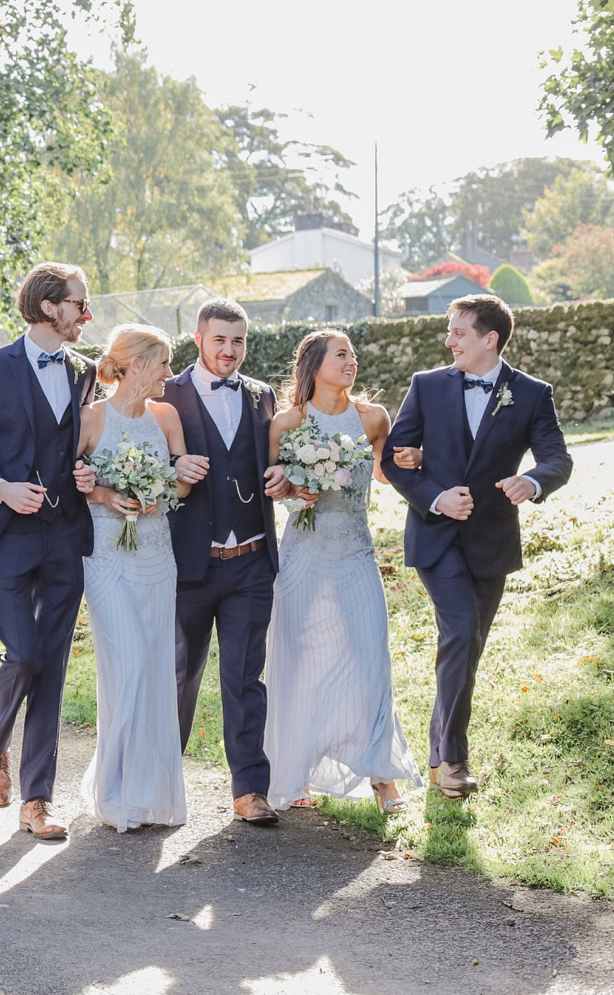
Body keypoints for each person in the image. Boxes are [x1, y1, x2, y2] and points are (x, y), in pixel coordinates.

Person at [381, 294, 571, 798]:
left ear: (490, 339)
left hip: (492, 541)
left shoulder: (530, 394)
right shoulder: (426, 386)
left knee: (468, 648)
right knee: (461, 633)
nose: (449, 341)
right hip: (436, 537)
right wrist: (437, 497)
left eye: (459, 332)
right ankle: (455, 760)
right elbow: (395, 460)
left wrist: (531, 481)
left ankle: (438, 755)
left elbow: (557, 458)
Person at [0, 262, 99, 840]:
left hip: (68, 532)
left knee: (54, 665)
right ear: (50, 306)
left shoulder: (86, 371)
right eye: (79, 303)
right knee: (22, 654)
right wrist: (0, 489)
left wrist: (92, 474)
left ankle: (37, 801)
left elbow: (86, 444)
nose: (85, 314)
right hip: (12, 536)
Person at [265, 330, 419, 814]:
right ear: (313, 363)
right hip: (304, 551)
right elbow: (273, 485)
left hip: (355, 549)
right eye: (341, 355)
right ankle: (294, 772)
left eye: (353, 355)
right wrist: (292, 489)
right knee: (296, 657)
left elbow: (388, 471)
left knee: (372, 653)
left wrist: (414, 458)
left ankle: (382, 775)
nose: (351, 362)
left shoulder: (373, 418)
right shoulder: (286, 422)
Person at [155, 298, 288, 826]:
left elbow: (273, 461)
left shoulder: (263, 397)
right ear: (198, 339)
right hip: (190, 562)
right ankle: (163, 781)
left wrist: (282, 478)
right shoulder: (166, 393)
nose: (229, 351)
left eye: (238, 341)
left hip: (252, 560)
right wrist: (172, 466)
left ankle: (250, 790)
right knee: (179, 675)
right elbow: (139, 456)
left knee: (244, 676)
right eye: (219, 340)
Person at [76, 324, 196, 832]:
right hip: (105, 554)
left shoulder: (166, 417)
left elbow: (180, 492)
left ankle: (150, 793)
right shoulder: (89, 419)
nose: (170, 373)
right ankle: (114, 791)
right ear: (139, 364)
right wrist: (105, 494)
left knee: (152, 667)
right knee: (125, 664)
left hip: (155, 552)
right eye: (165, 362)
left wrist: (178, 481)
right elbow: (76, 486)